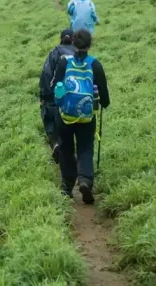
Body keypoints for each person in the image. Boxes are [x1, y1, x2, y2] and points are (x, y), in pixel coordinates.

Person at [49, 28, 109, 203]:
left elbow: (55, 86)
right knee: (85, 148)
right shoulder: (95, 64)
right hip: (86, 116)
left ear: (73, 44)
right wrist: (103, 103)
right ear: (90, 44)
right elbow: (104, 95)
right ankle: (85, 180)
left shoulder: (63, 63)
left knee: (66, 148)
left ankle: (67, 187)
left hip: (65, 115)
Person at [39, 29, 76, 163]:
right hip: (77, 99)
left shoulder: (55, 53)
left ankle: (55, 143)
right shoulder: (81, 54)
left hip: (56, 95)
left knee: (48, 117)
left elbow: (46, 75)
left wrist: (43, 96)